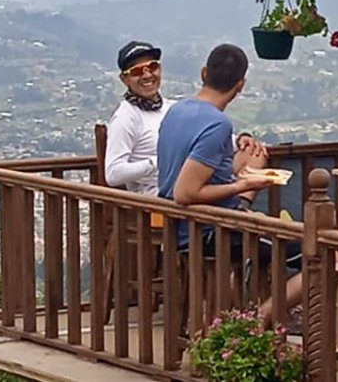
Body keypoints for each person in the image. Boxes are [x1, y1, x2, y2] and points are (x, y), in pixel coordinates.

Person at [157, 43, 302, 327]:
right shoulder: (217, 124)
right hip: (212, 233)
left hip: (183, 228)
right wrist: (244, 184)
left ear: (204, 73)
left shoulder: (177, 110)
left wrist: (242, 156)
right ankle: (257, 320)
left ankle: (249, 320)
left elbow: (199, 171)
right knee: (318, 253)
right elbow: (185, 192)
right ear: (241, 84)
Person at [104, 41, 169, 194]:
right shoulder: (126, 117)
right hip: (155, 205)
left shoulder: (172, 108)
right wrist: (158, 162)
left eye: (152, 67)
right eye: (137, 71)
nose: (147, 75)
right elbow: (113, 173)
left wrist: (236, 141)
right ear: (124, 79)